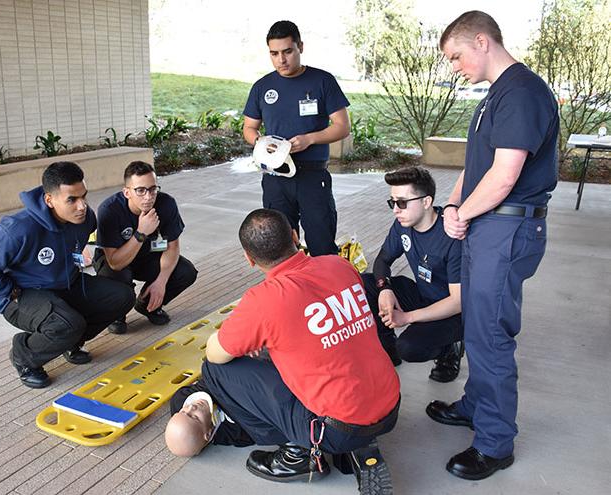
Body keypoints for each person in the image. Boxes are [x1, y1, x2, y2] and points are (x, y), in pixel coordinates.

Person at [426, 11, 559, 480]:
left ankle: (495, 443)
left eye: (456, 56)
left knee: (491, 337)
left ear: (482, 42)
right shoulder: (495, 96)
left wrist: (463, 214)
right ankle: (476, 404)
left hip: (507, 230)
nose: (455, 66)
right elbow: (478, 167)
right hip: (488, 225)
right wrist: (453, 205)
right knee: (477, 325)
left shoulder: (522, 92)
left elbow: (504, 177)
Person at [202, 208, 400, 494]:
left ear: (248, 258)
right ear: (295, 236)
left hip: (335, 426)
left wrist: (246, 336)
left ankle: (298, 452)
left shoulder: (263, 300)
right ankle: (355, 444)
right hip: (390, 404)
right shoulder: (339, 265)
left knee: (215, 371)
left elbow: (215, 353)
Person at [0, 162, 134, 389]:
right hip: (23, 296)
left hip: (66, 284)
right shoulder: (19, 229)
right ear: (49, 200)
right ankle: (24, 356)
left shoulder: (85, 220)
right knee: (67, 324)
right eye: (71, 200)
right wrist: (7, 291)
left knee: (122, 296)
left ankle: (71, 342)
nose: (82, 206)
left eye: (83, 196)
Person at [243, 20, 350, 256]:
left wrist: (310, 139)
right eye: (274, 53)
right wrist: (261, 143)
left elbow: (342, 127)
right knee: (279, 249)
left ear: (300, 46)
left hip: (312, 176)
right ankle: (290, 292)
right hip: (275, 177)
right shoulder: (262, 87)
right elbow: (249, 128)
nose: (281, 60)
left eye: (287, 51)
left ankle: (323, 290)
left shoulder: (322, 81)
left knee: (322, 244)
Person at [362, 166, 464, 382]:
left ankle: (449, 349)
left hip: (454, 313)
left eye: (401, 203)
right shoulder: (403, 224)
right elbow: (382, 260)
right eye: (392, 202)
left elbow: (458, 302)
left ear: (426, 202)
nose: (395, 210)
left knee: (409, 348)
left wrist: (407, 317)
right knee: (363, 284)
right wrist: (385, 289)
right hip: (423, 295)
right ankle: (387, 346)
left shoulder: (451, 235)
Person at [93, 161, 197, 334]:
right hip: (116, 261)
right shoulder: (109, 210)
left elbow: (172, 247)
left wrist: (161, 282)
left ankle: (147, 304)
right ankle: (117, 313)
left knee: (185, 272)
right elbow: (115, 263)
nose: (148, 196)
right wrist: (141, 232)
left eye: (153, 189)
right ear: (127, 192)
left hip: (147, 256)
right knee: (118, 276)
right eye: (140, 190)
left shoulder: (166, 204)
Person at [165, 379, 254, 457]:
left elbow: (210, 380)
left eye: (183, 411)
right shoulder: (236, 433)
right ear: (208, 434)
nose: (191, 407)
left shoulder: (180, 399)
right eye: (194, 417)